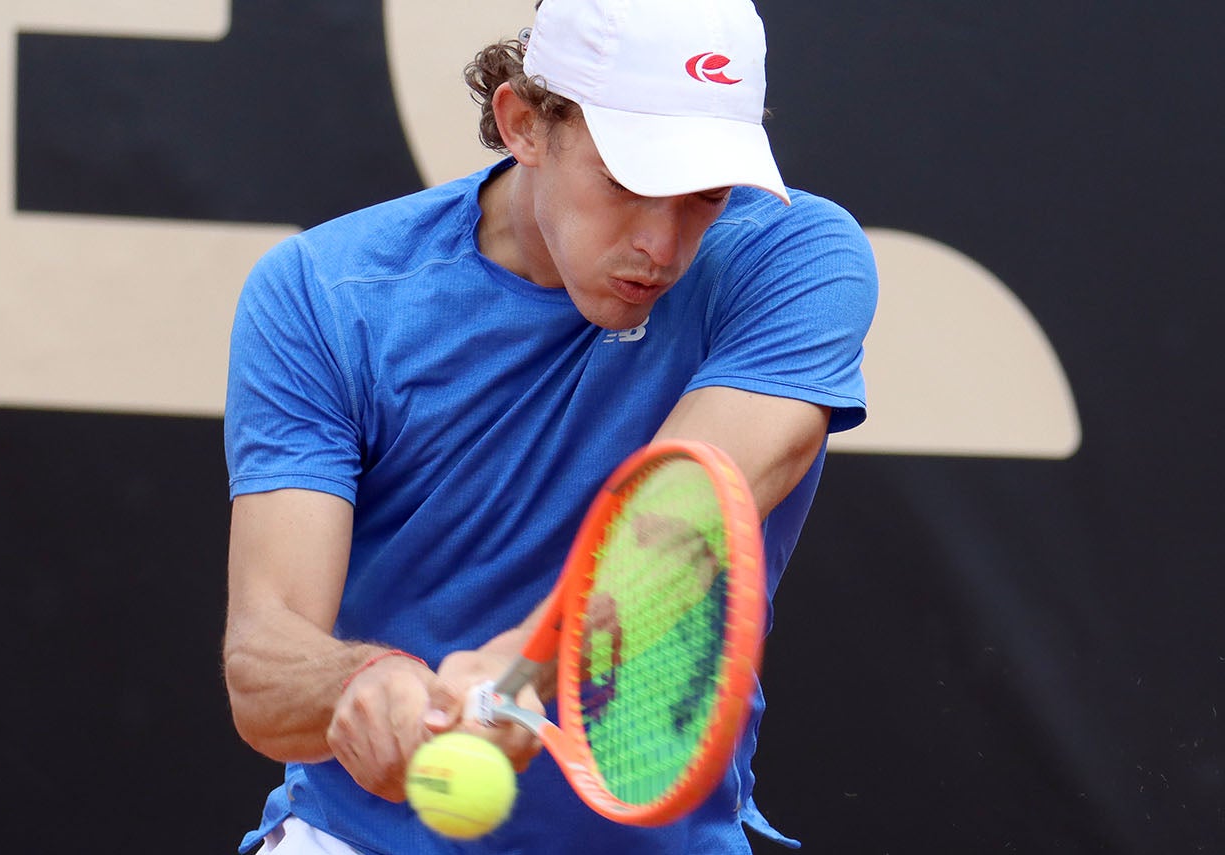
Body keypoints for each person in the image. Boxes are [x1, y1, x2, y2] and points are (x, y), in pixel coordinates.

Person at [222, 0, 877, 851]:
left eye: (705, 195)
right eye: (631, 183)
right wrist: (363, 683)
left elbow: (688, 507)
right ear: (524, 122)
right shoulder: (319, 291)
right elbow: (263, 666)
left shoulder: (794, 257)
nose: (662, 244)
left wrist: (519, 660)